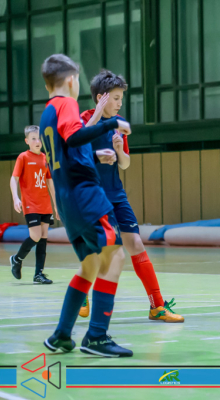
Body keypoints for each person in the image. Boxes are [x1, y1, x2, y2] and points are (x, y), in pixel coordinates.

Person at [39, 54, 133, 357]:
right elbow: (75, 136)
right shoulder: (66, 103)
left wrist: (93, 156)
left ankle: (61, 335)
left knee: (91, 265)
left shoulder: (46, 114)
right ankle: (96, 337)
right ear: (71, 80)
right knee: (115, 256)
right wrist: (113, 123)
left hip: (68, 202)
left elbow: (65, 154)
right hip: (86, 197)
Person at [79, 69, 183, 323]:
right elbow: (76, 146)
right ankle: (82, 294)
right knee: (102, 250)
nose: (119, 103)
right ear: (101, 98)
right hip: (92, 196)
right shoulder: (83, 120)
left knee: (136, 244)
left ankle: (157, 306)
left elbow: (125, 164)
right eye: (115, 98)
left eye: (121, 99)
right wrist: (97, 118)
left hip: (116, 194)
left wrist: (119, 151)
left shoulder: (120, 123)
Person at [9, 125, 59, 284]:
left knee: (43, 237)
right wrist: (15, 197)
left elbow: (50, 182)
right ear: (27, 141)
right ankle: (17, 259)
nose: (37, 142)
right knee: (35, 236)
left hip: (45, 204)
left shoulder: (45, 158)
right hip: (30, 204)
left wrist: (56, 205)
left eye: (39, 138)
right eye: (33, 139)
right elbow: (14, 178)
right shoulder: (23, 157)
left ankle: (38, 274)